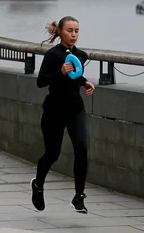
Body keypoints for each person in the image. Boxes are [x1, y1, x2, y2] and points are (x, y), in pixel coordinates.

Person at [31, 16, 95, 214]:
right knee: (52, 153)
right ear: (60, 31)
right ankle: (38, 184)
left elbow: (75, 74)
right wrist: (60, 72)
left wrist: (84, 82)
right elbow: (41, 82)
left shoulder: (82, 55)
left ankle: (79, 196)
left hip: (75, 108)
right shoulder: (52, 55)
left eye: (76, 30)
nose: (74, 34)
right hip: (54, 110)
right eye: (69, 30)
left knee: (82, 148)